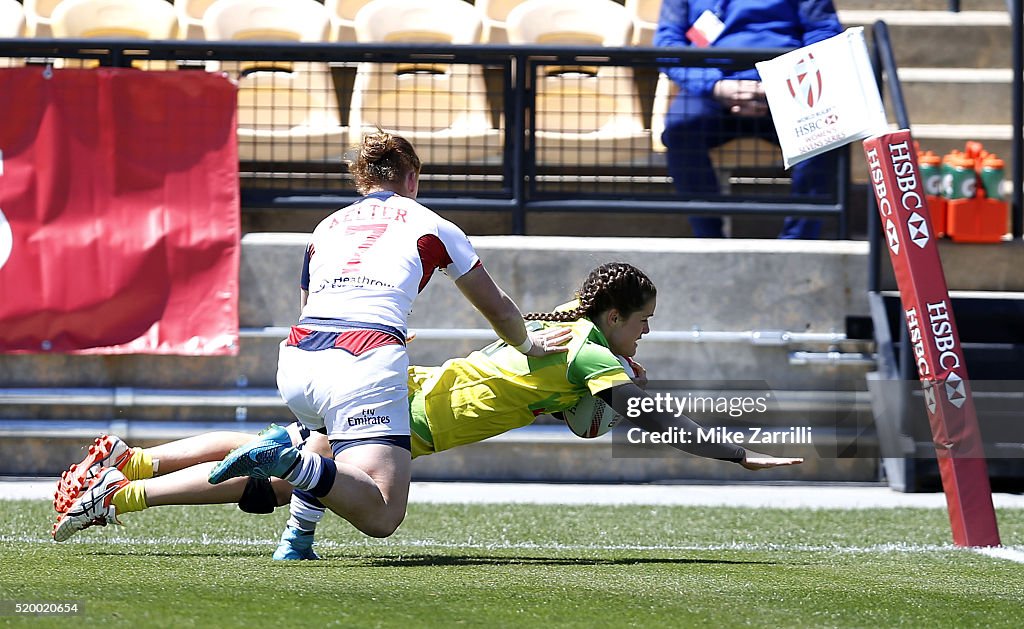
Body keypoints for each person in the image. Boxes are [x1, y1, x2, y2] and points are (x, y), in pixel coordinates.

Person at [52, 262, 803, 557]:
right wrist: (741, 453)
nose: (648, 331)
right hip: (413, 419)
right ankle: (117, 494)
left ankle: (131, 463)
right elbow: (651, 420)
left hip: (403, 385)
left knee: (279, 448)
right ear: (612, 314)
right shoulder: (594, 350)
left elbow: (578, 412)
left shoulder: (562, 327)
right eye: (643, 318)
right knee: (296, 478)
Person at [52, 130, 572, 543]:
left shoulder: (326, 226)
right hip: (365, 358)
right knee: (379, 510)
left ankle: (121, 487)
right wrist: (529, 345)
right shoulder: (432, 222)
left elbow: (309, 307)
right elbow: (498, 308)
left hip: (300, 357)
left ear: (363, 181)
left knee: (296, 469)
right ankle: (276, 466)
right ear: (412, 176)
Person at [655, 0, 843, 239]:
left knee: (828, 132)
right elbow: (668, 43)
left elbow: (824, 32)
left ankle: (798, 243)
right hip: (711, 89)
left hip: (788, 88)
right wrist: (715, 86)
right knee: (680, 128)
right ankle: (710, 241)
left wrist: (787, 80)